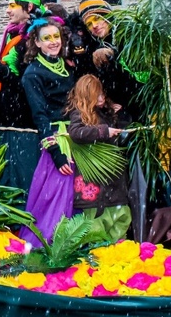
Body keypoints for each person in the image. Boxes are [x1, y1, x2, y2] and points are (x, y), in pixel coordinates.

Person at [17, 16, 76, 248]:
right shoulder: (33, 74)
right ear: (37, 43)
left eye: (56, 37)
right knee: (55, 200)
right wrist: (55, 152)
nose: (53, 42)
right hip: (57, 142)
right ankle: (49, 248)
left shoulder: (68, 66)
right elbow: (40, 116)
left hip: (77, 138)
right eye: (47, 38)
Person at [66, 74, 132, 242]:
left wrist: (117, 115)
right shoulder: (79, 115)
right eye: (98, 95)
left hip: (114, 185)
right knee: (94, 228)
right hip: (93, 188)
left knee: (120, 220)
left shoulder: (107, 113)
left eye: (102, 93)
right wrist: (103, 131)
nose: (102, 97)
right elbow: (76, 133)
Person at [0, 0, 43, 194]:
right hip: (8, 117)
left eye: (12, 5)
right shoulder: (14, 34)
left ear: (29, 7)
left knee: (23, 180)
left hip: (23, 121)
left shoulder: (34, 38)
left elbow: (24, 82)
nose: (7, 11)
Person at [78, 0, 146, 122]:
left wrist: (112, 54)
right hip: (121, 110)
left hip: (144, 99)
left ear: (107, 16)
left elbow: (138, 68)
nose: (94, 26)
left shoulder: (129, 33)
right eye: (89, 24)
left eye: (97, 18)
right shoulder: (93, 46)